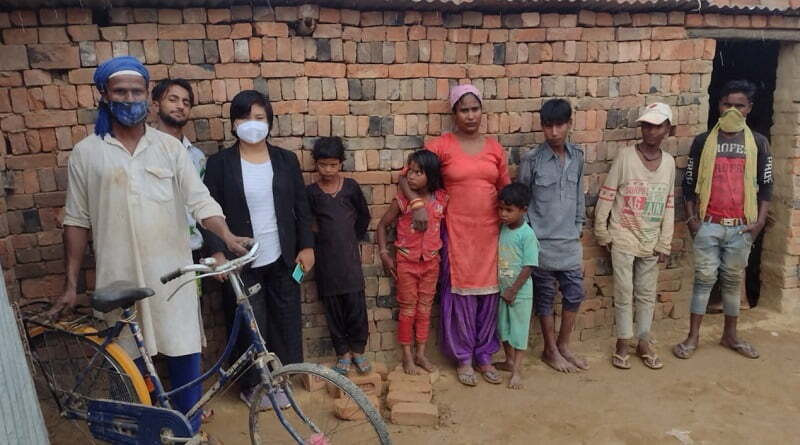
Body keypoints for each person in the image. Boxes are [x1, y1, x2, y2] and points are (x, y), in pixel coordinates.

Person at [51, 56, 249, 439]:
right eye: (120, 92)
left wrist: (226, 236)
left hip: (171, 278)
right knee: (129, 374)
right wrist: (71, 284)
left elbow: (201, 201)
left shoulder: (169, 149)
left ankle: (187, 435)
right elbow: (76, 221)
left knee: (185, 361)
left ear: (147, 95)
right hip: (120, 280)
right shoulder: (87, 153)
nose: (130, 99)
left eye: (136, 91)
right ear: (104, 95)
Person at [202, 90, 315, 409]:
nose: (252, 123)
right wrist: (217, 252)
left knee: (285, 318)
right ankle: (253, 385)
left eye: (259, 117)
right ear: (233, 124)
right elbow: (207, 211)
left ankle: (282, 378)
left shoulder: (286, 160)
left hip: (283, 256)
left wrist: (307, 246)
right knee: (249, 322)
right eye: (244, 117)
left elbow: (301, 206)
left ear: (269, 122)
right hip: (241, 260)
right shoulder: (220, 164)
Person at [400, 84, 510, 386]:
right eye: (464, 110)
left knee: (488, 294)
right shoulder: (441, 146)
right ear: (454, 113)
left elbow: (505, 189)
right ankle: (463, 358)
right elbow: (405, 177)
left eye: (475, 109)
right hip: (455, 233)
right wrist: (417, 204)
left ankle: (484, 356)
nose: (471, 115)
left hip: (489, 234)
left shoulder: (495, 149)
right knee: (459, 294)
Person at [674, 80, 773, 360]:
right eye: (727, 104)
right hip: (709, 224)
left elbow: (766, 185)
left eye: (739, 106)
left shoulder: (758, 143)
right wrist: (692, 220)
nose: (732, 110)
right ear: (718, 105)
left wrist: (759, 222)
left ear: (749, 108)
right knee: (703, 281)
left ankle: (730, 335)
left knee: (732, 282)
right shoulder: (704, 141)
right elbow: (689, 183)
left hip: (742, 226)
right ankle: (693, 337)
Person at [594, 103, 676, 370]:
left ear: (667, 129)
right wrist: (602, 231)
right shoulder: (626, 157)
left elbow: (668, 204)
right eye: (646, 126)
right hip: (623, 235)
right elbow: (608, 194)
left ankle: (643, 341)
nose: (651, 131)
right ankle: (622, 341)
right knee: (624, 290)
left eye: (657, 126)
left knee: (646, 293)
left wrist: (665, 242)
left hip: (651, 238)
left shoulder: (669, 163)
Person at [517, 99, 588, 373]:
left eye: (560, 125)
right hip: (542, 244)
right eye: (548, 126)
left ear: (569, 124)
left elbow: (579, 195)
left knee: (574, 293)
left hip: (569, 243)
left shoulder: (577, 156)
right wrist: (530, 237)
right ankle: (550, 350)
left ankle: (563, 345)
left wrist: (578, 226)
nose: (554, 132)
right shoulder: (532, 160)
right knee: (545, 297)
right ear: (542, 127)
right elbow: (522, 200)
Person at [378, 150, 447, 375]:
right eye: (411, 171)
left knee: (425, 309)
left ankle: (421, 354)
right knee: (408, 310)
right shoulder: (402, 201)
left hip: (431, 263)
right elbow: (382, 226)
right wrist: (384, 253)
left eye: (418, 173)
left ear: (431, 175)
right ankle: (407, 355)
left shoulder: (441, 199)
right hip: (407, 263)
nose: (412, 176)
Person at [307, 137, 372, 376]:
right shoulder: (311, 193)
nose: (328, 170)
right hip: (326, 262)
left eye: (333, 165)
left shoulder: (351, 187)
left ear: (341, 164)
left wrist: (350, 238)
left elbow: (364, 216)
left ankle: (358, 351)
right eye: (323, 165)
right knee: (333, 310)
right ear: (316, 164)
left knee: (356, 307)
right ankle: (342, 353)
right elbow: (307, 223)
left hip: (349, 261)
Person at [151, 78, 207, 258]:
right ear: (156, 106)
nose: (180, 106)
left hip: (193, 250)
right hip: (154, 252)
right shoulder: (142, 152)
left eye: (186, 102)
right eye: (173, 100)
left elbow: (202, 206)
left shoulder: (197, 157)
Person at [493, 183, 539, 389]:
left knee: (519, 331)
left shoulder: (527, 234)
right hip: (503, 290)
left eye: (509, 210)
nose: (503, 214)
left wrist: (513, 290)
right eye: (501, 209)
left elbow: (529, 266)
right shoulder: (502, 228)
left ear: (524, 210)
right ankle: (509, 360)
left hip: (520, 293)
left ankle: (517, 371)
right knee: (503, 328)